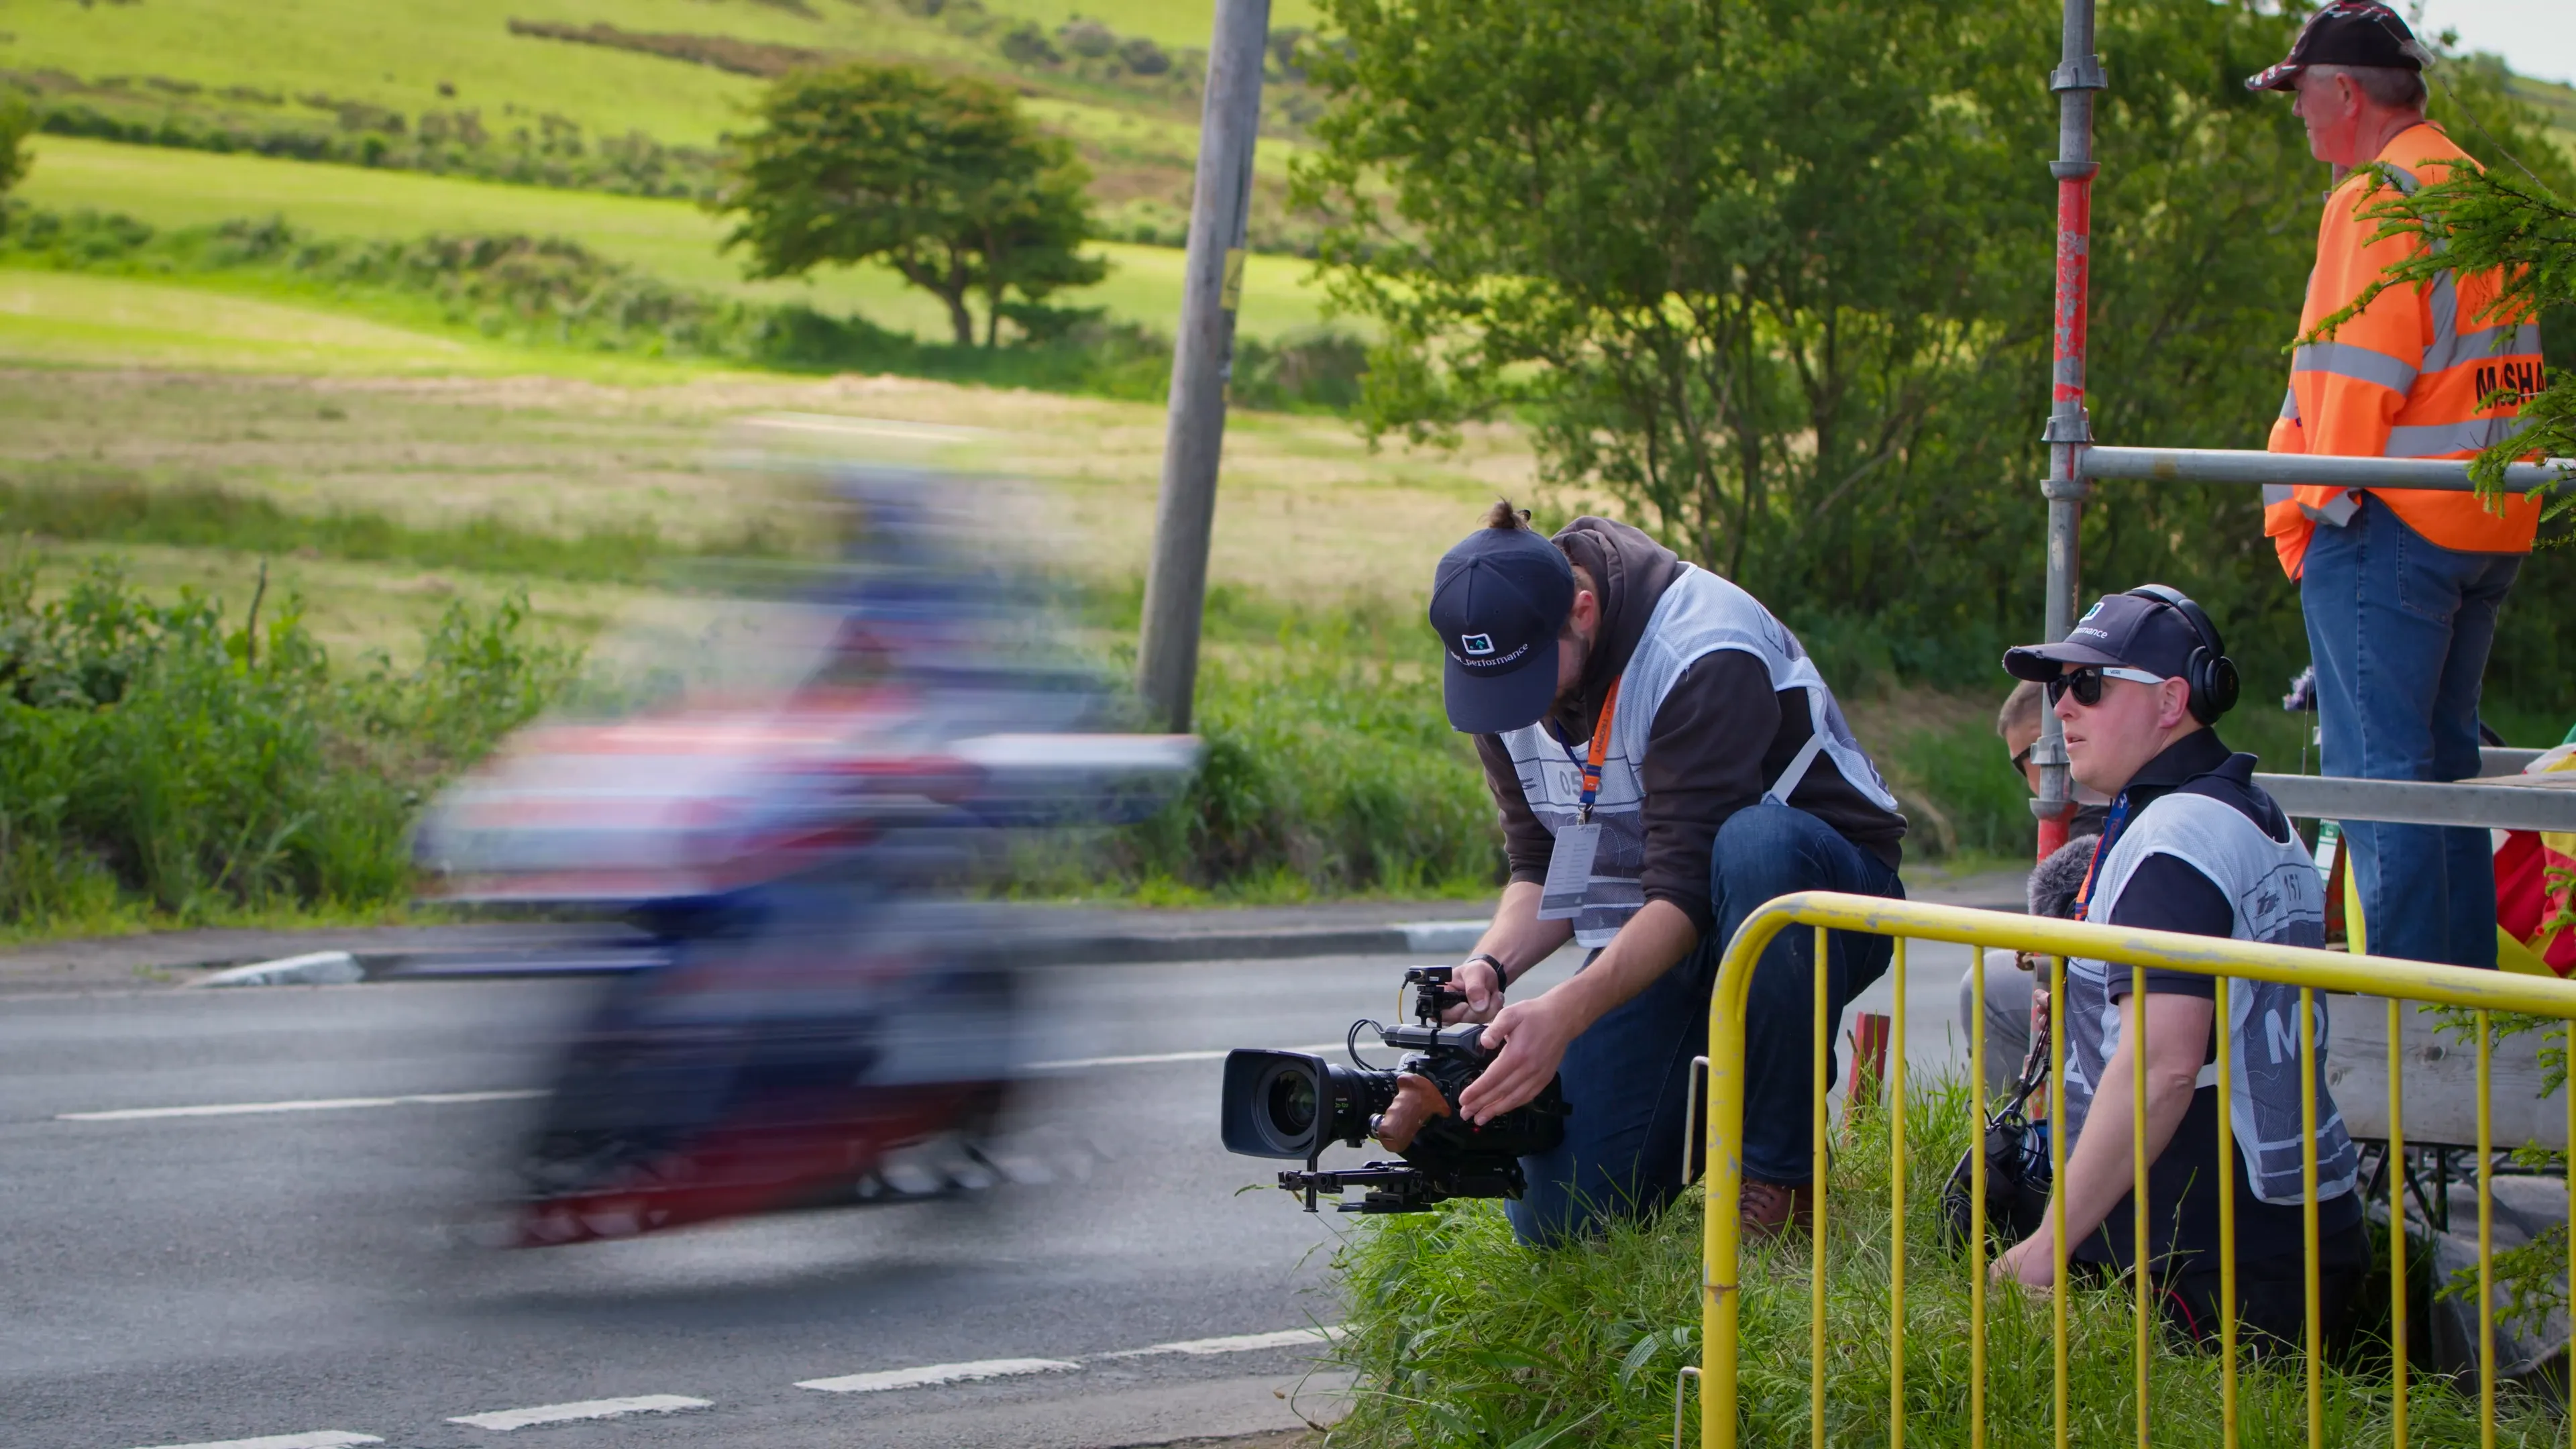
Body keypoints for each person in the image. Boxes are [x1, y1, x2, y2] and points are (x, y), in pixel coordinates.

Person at [1423, 503, 1908, 1245]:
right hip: (1663, 923)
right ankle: (1717, 1098)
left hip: (1819, 897)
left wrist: (1569, 1011)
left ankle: (1780, 1173)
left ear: (1581, 610)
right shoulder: (1502, 675)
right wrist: (1491, 964)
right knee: (1562, 1221)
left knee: (1755, 845)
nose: (1517, 707)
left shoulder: (1701, 646)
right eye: (1494, 686)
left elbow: (1685, 889)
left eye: (1526, 676)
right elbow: (1542, 862)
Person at [1989, 588, 2365, 1349]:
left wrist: (2044, 1249)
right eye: (2061, 686)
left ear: (2171, 701)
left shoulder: (2175, 843)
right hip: (2277, 1246)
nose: (2062, 708)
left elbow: (2160, 1070)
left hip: (2210, 1272)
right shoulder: (2241, 810)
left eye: (2089, 686)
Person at [2251, 1, 2544, 970]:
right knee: (2443, 775)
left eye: (2300, 95)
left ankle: (2420, 1034)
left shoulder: (2378, 197)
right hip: (2484, 521)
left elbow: (2351, 383)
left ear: (2344, 93)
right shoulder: (2471, 190)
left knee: (2378, 783)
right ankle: (2468, 1022)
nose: (2297, 116)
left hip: (2389, 524)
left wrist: (2307, 513)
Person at [1957, 681, 2112, 1104]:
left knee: (1984, 985)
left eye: (2019, 761)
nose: (2027, 776)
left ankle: (2004, 1143)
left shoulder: (2084, 826)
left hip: (2116, 1007)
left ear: (2044, 748)